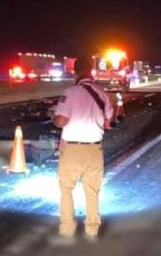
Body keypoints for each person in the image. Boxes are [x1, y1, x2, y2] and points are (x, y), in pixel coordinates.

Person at [51, 57, 113, 243]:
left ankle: (67, 229)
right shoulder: (102, 93)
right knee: (92, 191)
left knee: (67, 190)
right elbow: (108, 122)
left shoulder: (71, 92)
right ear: (91, 71)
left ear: (75, 72)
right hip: (95, 149)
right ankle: (92, 230)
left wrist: (55, 118)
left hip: (73, 150)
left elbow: (61, 121)